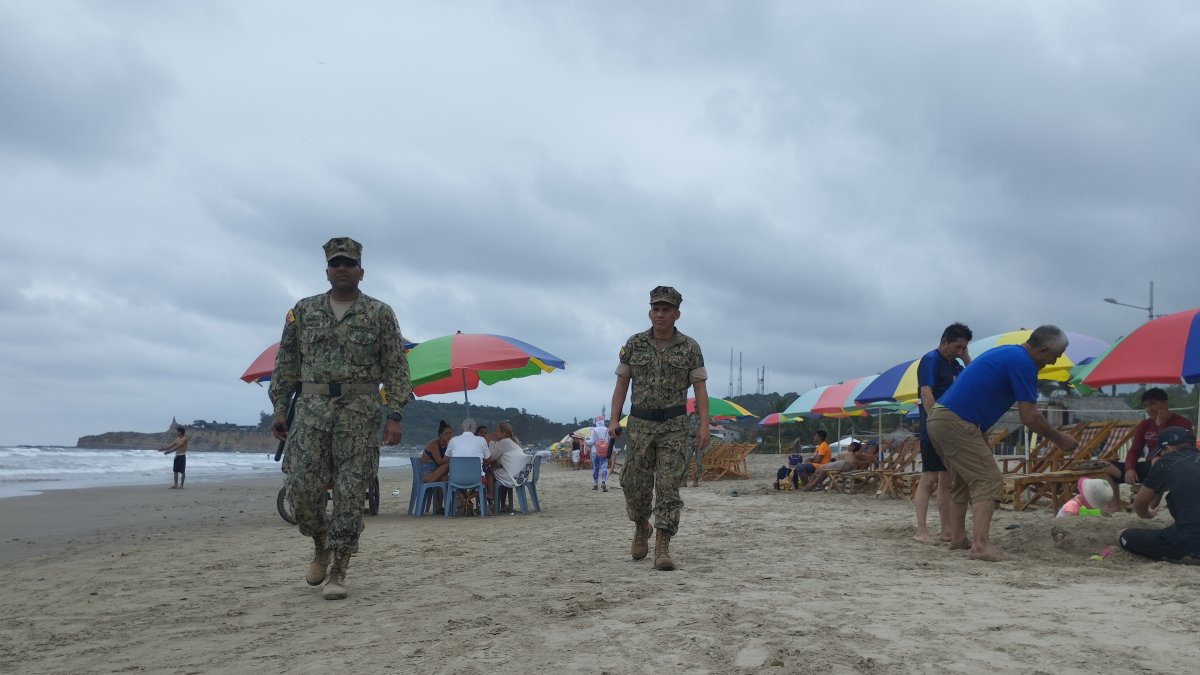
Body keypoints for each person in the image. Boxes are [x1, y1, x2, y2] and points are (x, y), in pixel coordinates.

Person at [269, 237, 411, 600]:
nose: (342, 267)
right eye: (336, 263)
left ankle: (339, 570)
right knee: (301, 489)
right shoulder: (303, 311)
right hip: (311, 412)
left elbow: (396, 367)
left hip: (359, 414)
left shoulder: (379, 313)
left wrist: (394, 414)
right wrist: (280, 410)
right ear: (327, 270)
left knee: (350, 494)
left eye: (349, 262)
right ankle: (320, 544)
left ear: (361, 271)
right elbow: (285, 366)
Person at [926, 325, 1078, 562]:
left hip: (940, 418)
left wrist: (981, 437)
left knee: (963, 481)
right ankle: (980, 546)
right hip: (955, 421)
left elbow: (977, 398)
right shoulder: (1024, 364)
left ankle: (958, 539)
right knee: (988, 479)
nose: (1051, 363)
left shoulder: (1008, 352)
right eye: (1053, 357)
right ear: (1043, 349)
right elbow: (1030, 417)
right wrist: (1061, 438)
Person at [608, 286, 708, 571]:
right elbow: (621, 385)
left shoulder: (690, 348)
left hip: (675, 426)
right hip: (640, 424)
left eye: (666, 309)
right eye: (656, 309)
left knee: (668, 486)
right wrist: (615, 420)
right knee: (633, 484)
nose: (660, 314)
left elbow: (700, 388)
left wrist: (703, 425)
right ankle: (642, 525)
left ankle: (663, 546)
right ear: (650, 312)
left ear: (676, 314)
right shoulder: (634, 344)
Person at [914, 322, 973, 544]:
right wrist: (935, 423)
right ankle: (921, 530)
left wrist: (966, 358)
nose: (960, 351)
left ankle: (947, 530)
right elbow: (926, 394)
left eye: (963, 348)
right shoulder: (931, 360)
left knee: (946, 481)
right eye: (957, 347)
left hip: (951, 429)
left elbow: (975, 377)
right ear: (944, 342)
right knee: (929, 478)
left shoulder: (956, 365)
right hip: (933, 428)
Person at [1118, 427, 1200, 564]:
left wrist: (1148, 514)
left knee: (1121, 535)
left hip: (1190, 543)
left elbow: (1140, 506)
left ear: (1167, 448)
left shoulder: (1166, 462)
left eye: (1160, 453)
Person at [1119, 388, 1194, 486]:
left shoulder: (1182, 423)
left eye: (1153, 404)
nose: (1149, 409)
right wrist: (1129, 468)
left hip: (1175, 467)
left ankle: (1145, 499)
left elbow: (1167, 449)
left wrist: (1161, 425)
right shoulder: (1145, 424)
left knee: (1157, 461)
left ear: (1165, 404)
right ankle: (1116, 502)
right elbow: (1134, 451)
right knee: (1107, 467)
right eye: (1146, 406)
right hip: (1150, 466)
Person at [446, 418, 491, 513]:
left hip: (455, 479)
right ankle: (468, 498)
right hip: (476, 479)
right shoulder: (481, 440)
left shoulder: (453, 440)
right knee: (483, 482)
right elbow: (487, 457)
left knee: (450, 481)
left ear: (462, 428)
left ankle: (463, 498)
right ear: (474, 429)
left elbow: (447, 457)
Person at [488, 421, 533, 513]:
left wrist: (491, 442)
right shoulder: (512, 441)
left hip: (514, 476)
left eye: (497, 431)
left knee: (490, 470)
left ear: (503, 433)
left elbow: (491, 457)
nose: (495, 433)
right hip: (522, 474)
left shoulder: (503, 442)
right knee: (497, 471)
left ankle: (491, 495)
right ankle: (502, 504)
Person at [587, 416, 612, 492]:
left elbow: (591, 442)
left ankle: (595, 485)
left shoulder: (593, 430)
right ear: (603, 421)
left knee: (595, 468)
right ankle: (603, 482)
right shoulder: (607, 429)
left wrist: (586, 441)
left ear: (596, 422)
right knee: (604, 467)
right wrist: (613, 450)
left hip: (595, 451)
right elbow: (610, 441)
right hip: (605, 451)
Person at [682, 411, 705, 487]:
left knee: (699, 461)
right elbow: (684, 425)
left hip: (700, 440)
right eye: (694, 405)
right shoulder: (690, 415)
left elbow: (713, 423)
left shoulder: (704, 416)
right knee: (686, 460)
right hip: (690, 440)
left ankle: (696, 480)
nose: (695, 406)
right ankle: (684, 479)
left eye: (697, 405)